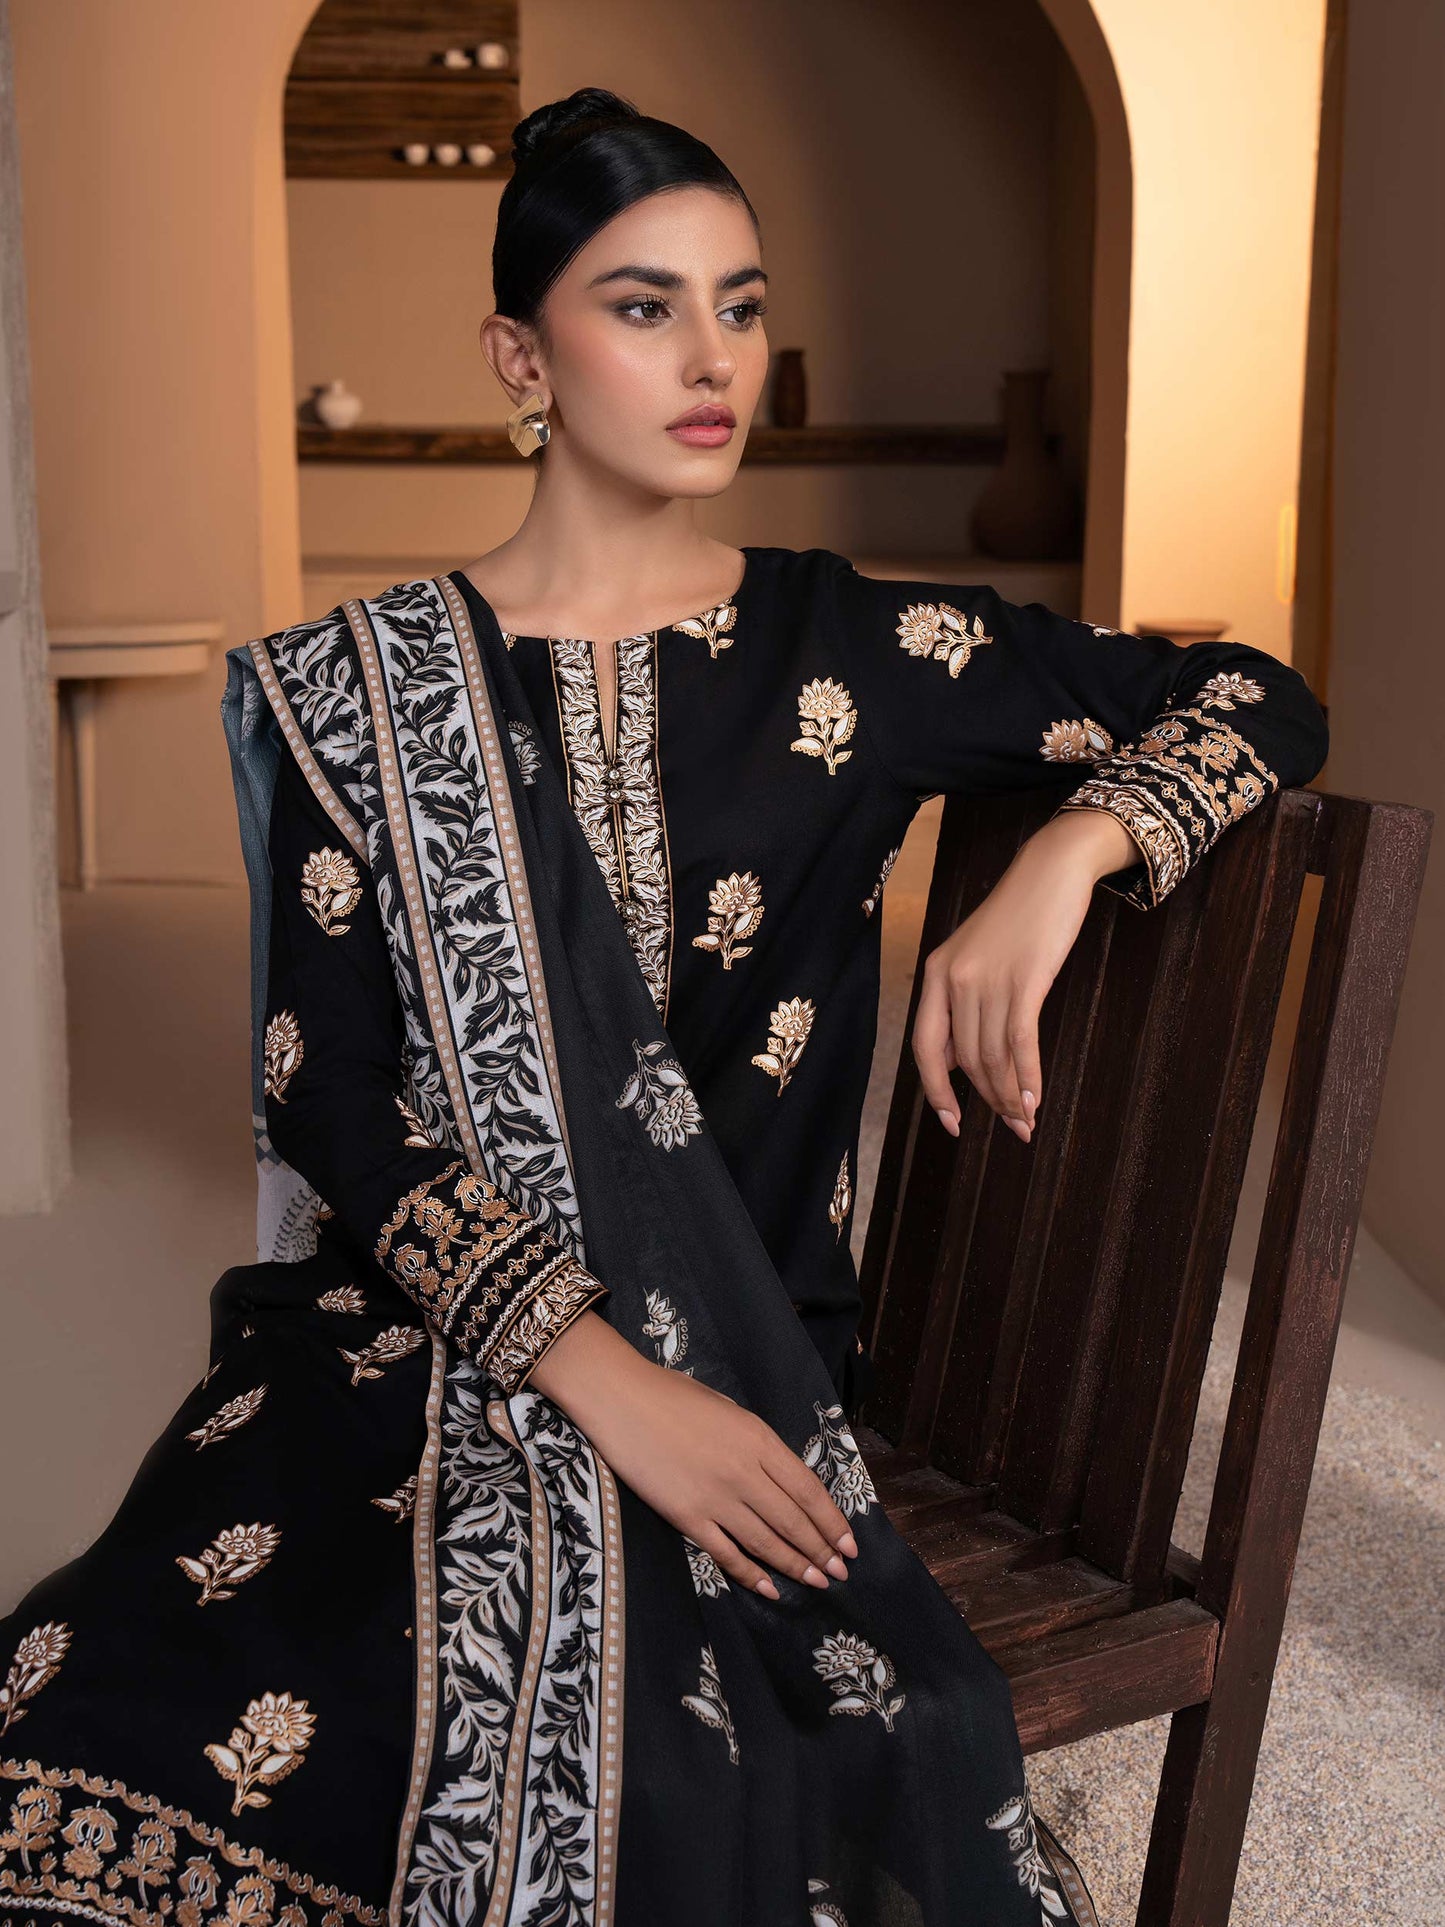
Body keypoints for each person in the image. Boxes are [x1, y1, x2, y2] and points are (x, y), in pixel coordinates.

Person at [0, 87, 1328, 1927]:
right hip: (417, 1334)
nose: (714, 360)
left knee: (663, 1769)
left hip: (748, 1350)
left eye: (741, 306)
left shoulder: (850, 648)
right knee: (104, 1699)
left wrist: (1065, 856)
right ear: (518, 357)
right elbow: (334, 1104)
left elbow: (1257, 695)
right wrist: (603, 1385)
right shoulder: (358, 690)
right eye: (643, 306)